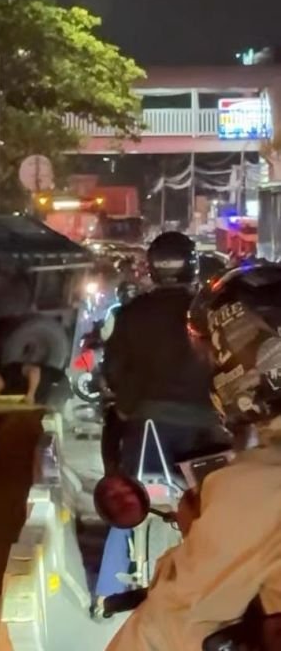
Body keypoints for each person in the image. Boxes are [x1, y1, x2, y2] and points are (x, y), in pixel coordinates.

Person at [105, 259, 281, 651]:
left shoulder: (256, 486)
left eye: (215, 357)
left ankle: (111, 575)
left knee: (124, 527)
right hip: (204, 432)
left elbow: (169, 624)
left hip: (153, 426)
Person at [95, 231, 226, 604]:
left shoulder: (133, 313)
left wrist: (125, 403)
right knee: (223, 507)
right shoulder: (213, 309)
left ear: (152, 267)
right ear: (192, 264)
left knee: (125, 502)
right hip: (211, 430)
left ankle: (108, 591)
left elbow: (115, 370)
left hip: (148, 429)